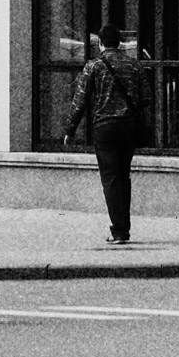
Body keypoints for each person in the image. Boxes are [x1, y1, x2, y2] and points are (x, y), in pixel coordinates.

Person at [62, 24, 151, 245]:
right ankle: (125, 227)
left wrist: (70, 130)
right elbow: (146, 98)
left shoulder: (94, 66)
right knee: (124, 176)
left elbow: (80, 101)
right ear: (119, 43)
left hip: (104, 128)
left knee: (110, 178)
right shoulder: (134, 65)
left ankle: (118, 230)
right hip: (128, 126)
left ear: (100, 43)